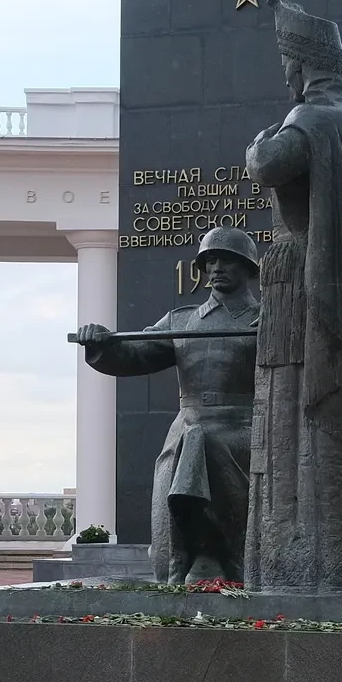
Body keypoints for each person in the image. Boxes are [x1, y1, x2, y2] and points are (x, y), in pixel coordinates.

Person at [243, 0, 342, 592]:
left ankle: (302, 566)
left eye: (287, 63)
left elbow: (268, 164)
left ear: (300, 63)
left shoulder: (312, 120)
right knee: (323, 433)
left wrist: (259, 141)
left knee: (292, 423)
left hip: (302, 291)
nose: (285, 74)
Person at [74, 226, 259, 583]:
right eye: (210, 261)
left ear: (248, 267)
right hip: (188, 429)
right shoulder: (182, 320)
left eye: (227, 260)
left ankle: (211, 553)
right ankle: (184, 555)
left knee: (203, 441)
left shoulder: (264, 318)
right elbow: (135, 354)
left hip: (242, 429)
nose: (217, 268)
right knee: (192, 442)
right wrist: (101, 344)